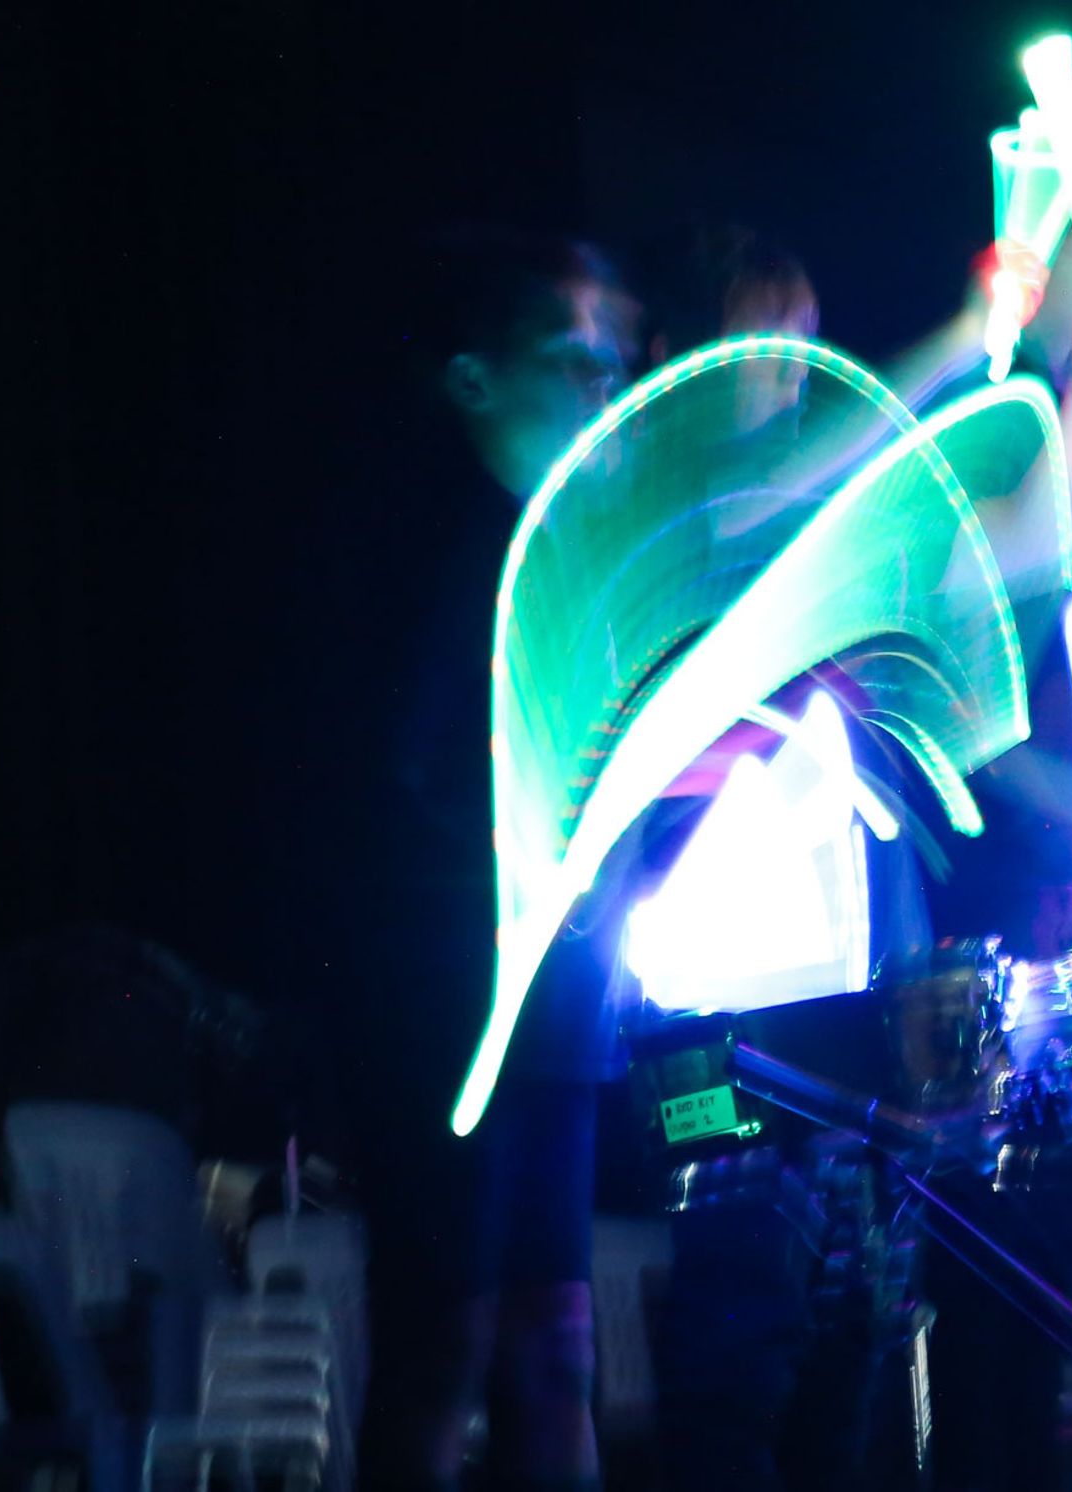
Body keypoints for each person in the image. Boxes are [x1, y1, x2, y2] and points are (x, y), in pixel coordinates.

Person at [339, 226, 636, 1492]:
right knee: (446, 1341)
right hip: (445, 1008)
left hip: (555, 1007)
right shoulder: (423, 563)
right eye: (574, 358)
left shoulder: (576, 557)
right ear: (474, 380)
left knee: (558, 1343)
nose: (605, 385)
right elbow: (394, 784)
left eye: (616, 361)